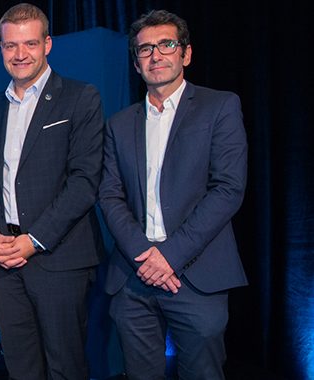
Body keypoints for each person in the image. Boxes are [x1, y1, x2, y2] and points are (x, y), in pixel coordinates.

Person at [99, 10, 247, 380]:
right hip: (133, 277)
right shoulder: (118, 124)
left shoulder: (220, 107)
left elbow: (228, 189)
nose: (156, 55)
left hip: (196, 277)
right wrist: (145, 257)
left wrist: (169, 256)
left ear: (186, 53)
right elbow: (109, 195)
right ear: (136, 63)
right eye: (145, 49)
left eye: (166, 45)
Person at [0, 3, 104, 379]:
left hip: (58, 260)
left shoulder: (80, 98)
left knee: (66, 366)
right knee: (20, 367)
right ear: (1, 48)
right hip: (4, 264)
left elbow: (84, 181)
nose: (20, 54)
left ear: (47, 44)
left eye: (29, 44)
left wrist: (34, 240)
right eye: (10, 45)